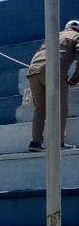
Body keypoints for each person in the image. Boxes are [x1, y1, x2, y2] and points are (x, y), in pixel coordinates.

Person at [27, 19, 79, 151]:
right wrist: (76, 77)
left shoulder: (54, 35)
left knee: (40, 109)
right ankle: (58, 142)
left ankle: (35, 143)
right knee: (60, 108)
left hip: (33, 70)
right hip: (53, 71)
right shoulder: (76, 36)